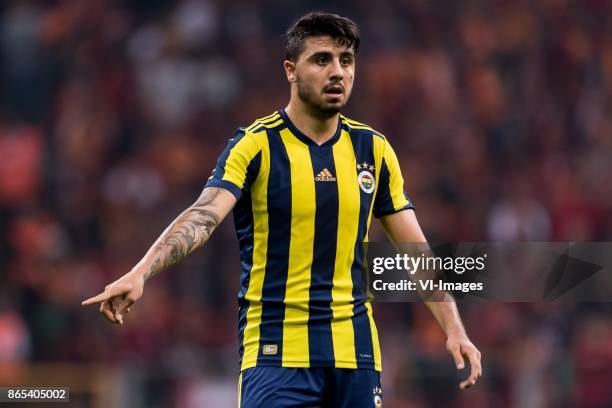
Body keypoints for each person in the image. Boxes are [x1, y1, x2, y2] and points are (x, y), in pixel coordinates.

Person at [82, 11, 482, 407]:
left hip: (356, 357)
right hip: (276, 357)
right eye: (322, 59)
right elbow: (204, 215)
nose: (338, 72)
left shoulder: (373, 151)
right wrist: (142, 271)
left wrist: (454, 329)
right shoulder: (255, 145)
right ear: (290, 70)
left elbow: (417, 252)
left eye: (346, 60)